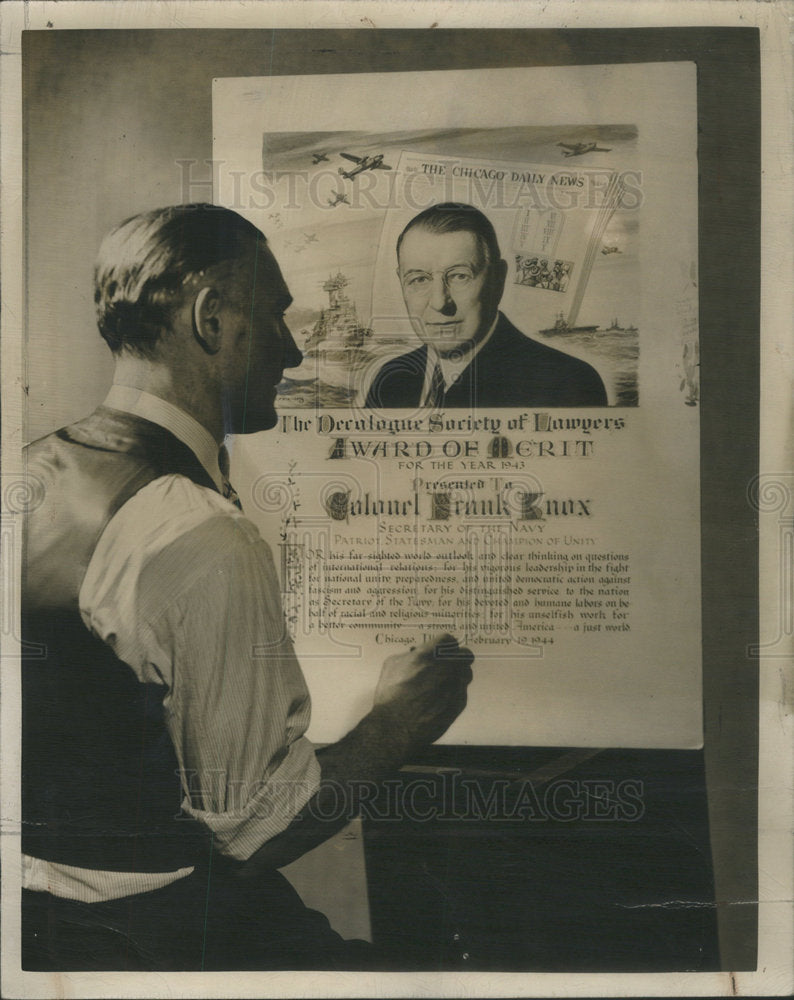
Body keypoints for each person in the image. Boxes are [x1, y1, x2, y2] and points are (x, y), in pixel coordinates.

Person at [21, 204, 473, 971]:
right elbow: (259, 829)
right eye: (276, 317)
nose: (292, 350)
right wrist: (400, 723)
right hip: (145, 935)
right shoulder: (199, 532)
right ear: (211, 317)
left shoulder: (29, 469)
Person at [364, 203, 607, 409]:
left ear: (498, 280)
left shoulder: (566, 382)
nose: (439, 302)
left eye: (459, 276)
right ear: (401, 282)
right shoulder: (390, 380)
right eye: (419, 279)